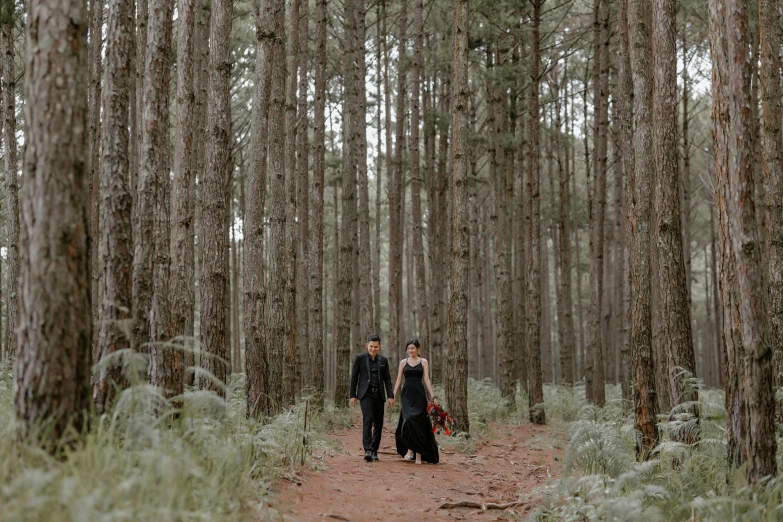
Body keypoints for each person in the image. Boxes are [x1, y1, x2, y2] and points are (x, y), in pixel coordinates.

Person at [393, 338, 439, 464]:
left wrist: (432, 396)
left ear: (418, 349)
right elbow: (398, 379)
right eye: (408, 348)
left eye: (413, 348)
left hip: (419, 394)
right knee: (408, 420)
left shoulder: (423, 361)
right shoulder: (403, 362)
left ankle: (418, 454)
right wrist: (393, 394)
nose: (410, 350)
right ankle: (410, 450)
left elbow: (426, 379)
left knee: (419, 423)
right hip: (407, 394)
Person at [350, 334, 394, 462]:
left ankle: (374, 450)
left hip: (379, 395)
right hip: (365, 395)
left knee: (379, 423)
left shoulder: (383, 361)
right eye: (371, 346)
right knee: (368, 420)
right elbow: (354, 378)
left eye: (375, 347)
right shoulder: (360, 359)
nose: (373, 349)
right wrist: (353, 395)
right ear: (367, 345)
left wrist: (390, 395)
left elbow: (387, 379)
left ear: (379, 347)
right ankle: (368, 449)